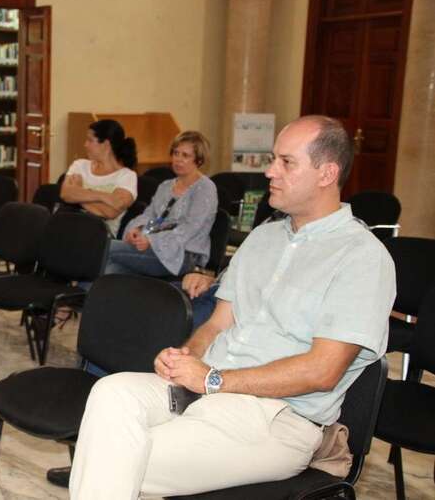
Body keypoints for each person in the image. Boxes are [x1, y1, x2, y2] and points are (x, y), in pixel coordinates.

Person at [68, 115, 396, 498]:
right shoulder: (263, 238)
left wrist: (213, 380)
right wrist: (187, 357)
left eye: (286, 162)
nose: (270, 171)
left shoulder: (361, 257)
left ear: (327, 173)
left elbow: (322, 371)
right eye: (273, 158)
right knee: (111, 393)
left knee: (114, 455)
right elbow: (217, 324)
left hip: (275, 416)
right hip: (208, 389)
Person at [106, 131, 217, 278]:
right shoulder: (165, 186)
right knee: (110, 269)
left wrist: (151, 240)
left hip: (183, 256)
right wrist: (137, 230)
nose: (178, 159)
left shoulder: (205, 188)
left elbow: (189, 228)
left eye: (185, 155)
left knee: (107, 248)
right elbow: (149, 215)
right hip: (154, 249)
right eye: (176, 153)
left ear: (199, 160)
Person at [60, 119, 138, 237]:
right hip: (73, 227)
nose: (85, 144)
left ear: (106, 144)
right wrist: (104, 196)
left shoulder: (127, 176)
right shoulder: (79, 165)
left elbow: (110, 212)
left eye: (90, 140)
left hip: (102, 235)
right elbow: (65, 193)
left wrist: (78, 193)